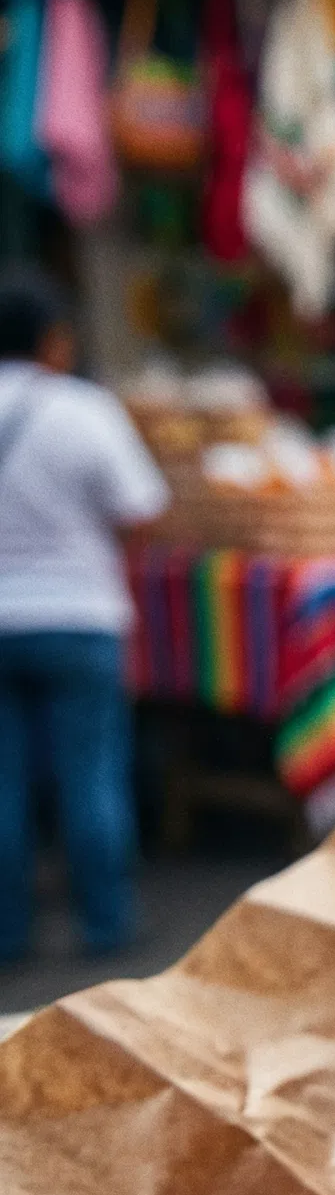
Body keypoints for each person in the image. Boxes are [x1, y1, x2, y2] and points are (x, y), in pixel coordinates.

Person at [0, 266, 168, 962]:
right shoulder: (84, 411)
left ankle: (8, 933)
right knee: (90, 775)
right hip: (78, 616)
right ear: (53, 339)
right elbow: (141, 513)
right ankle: (106, 925)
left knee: (4, 787)